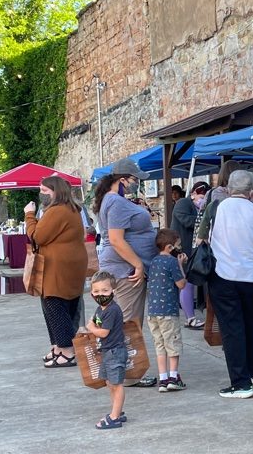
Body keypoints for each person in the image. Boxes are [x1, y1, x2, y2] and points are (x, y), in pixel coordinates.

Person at [207, 170, 253, 398]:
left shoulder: (216, 207)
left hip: (224, 274)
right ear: (251, 192)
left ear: (227, 189)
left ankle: (240, 383)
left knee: (232, 330)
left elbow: (201, 238)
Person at [92, 158, 158, 387]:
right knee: (130, 322)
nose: (135, 183)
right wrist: (138, 265)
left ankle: (124, 371)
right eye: (134, 179)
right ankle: (128, 375)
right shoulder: (117, 203)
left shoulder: (112, 200)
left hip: (121, 268)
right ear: (122, 180)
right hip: (125, 270)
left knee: (126, 320)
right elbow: (117, 240)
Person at [24, 176, 88, 368]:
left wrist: (29, 215)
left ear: (56, 191)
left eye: (44, 190)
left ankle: (67, 352)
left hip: (57, 268)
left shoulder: (57, 211)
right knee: (60, 306)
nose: (41, 193)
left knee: (55, 306)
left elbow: (38, 236)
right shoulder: (72, 208)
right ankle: (58, 348)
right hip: (69, 266)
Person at [147, 229, 188, 392]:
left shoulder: (154, 261)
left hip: (153, 312)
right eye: (178, 245)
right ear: (170, 247)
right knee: (172, 344)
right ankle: (173, 377)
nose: (180, 248)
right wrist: (180, 265)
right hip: (168, 312)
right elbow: (181, 284)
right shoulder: (171, 262)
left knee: (160, 344)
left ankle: (162, 379)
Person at [86, 271, 128, 429]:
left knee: (116, 384)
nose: (100, 295)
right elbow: (97, 323)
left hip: (115, 352)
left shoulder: (112, 310)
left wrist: (90, 327)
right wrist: (94, 325)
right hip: (107, 351)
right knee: (110, 383)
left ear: (113, 291)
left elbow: (103, 332)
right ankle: (117, 411)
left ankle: (115, 417)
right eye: (96, 292)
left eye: (105, 291)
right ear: (91, 293)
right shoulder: (100, 309)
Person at [170, 181, 211, 329]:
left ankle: (191, 316)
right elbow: (186, 221)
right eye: (200, 196)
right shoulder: (183, 203)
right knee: (186, 283)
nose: (202, 200)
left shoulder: (199, 206)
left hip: (192, 250)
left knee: (190, 282)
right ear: (193, 193)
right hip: (182, 249)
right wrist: (204, 219)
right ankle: (190, 318)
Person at [196, 160, 242, 241]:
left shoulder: (212, 193)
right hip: (240, 235)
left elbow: (204, 214)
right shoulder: (245, 194)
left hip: (217, 237)